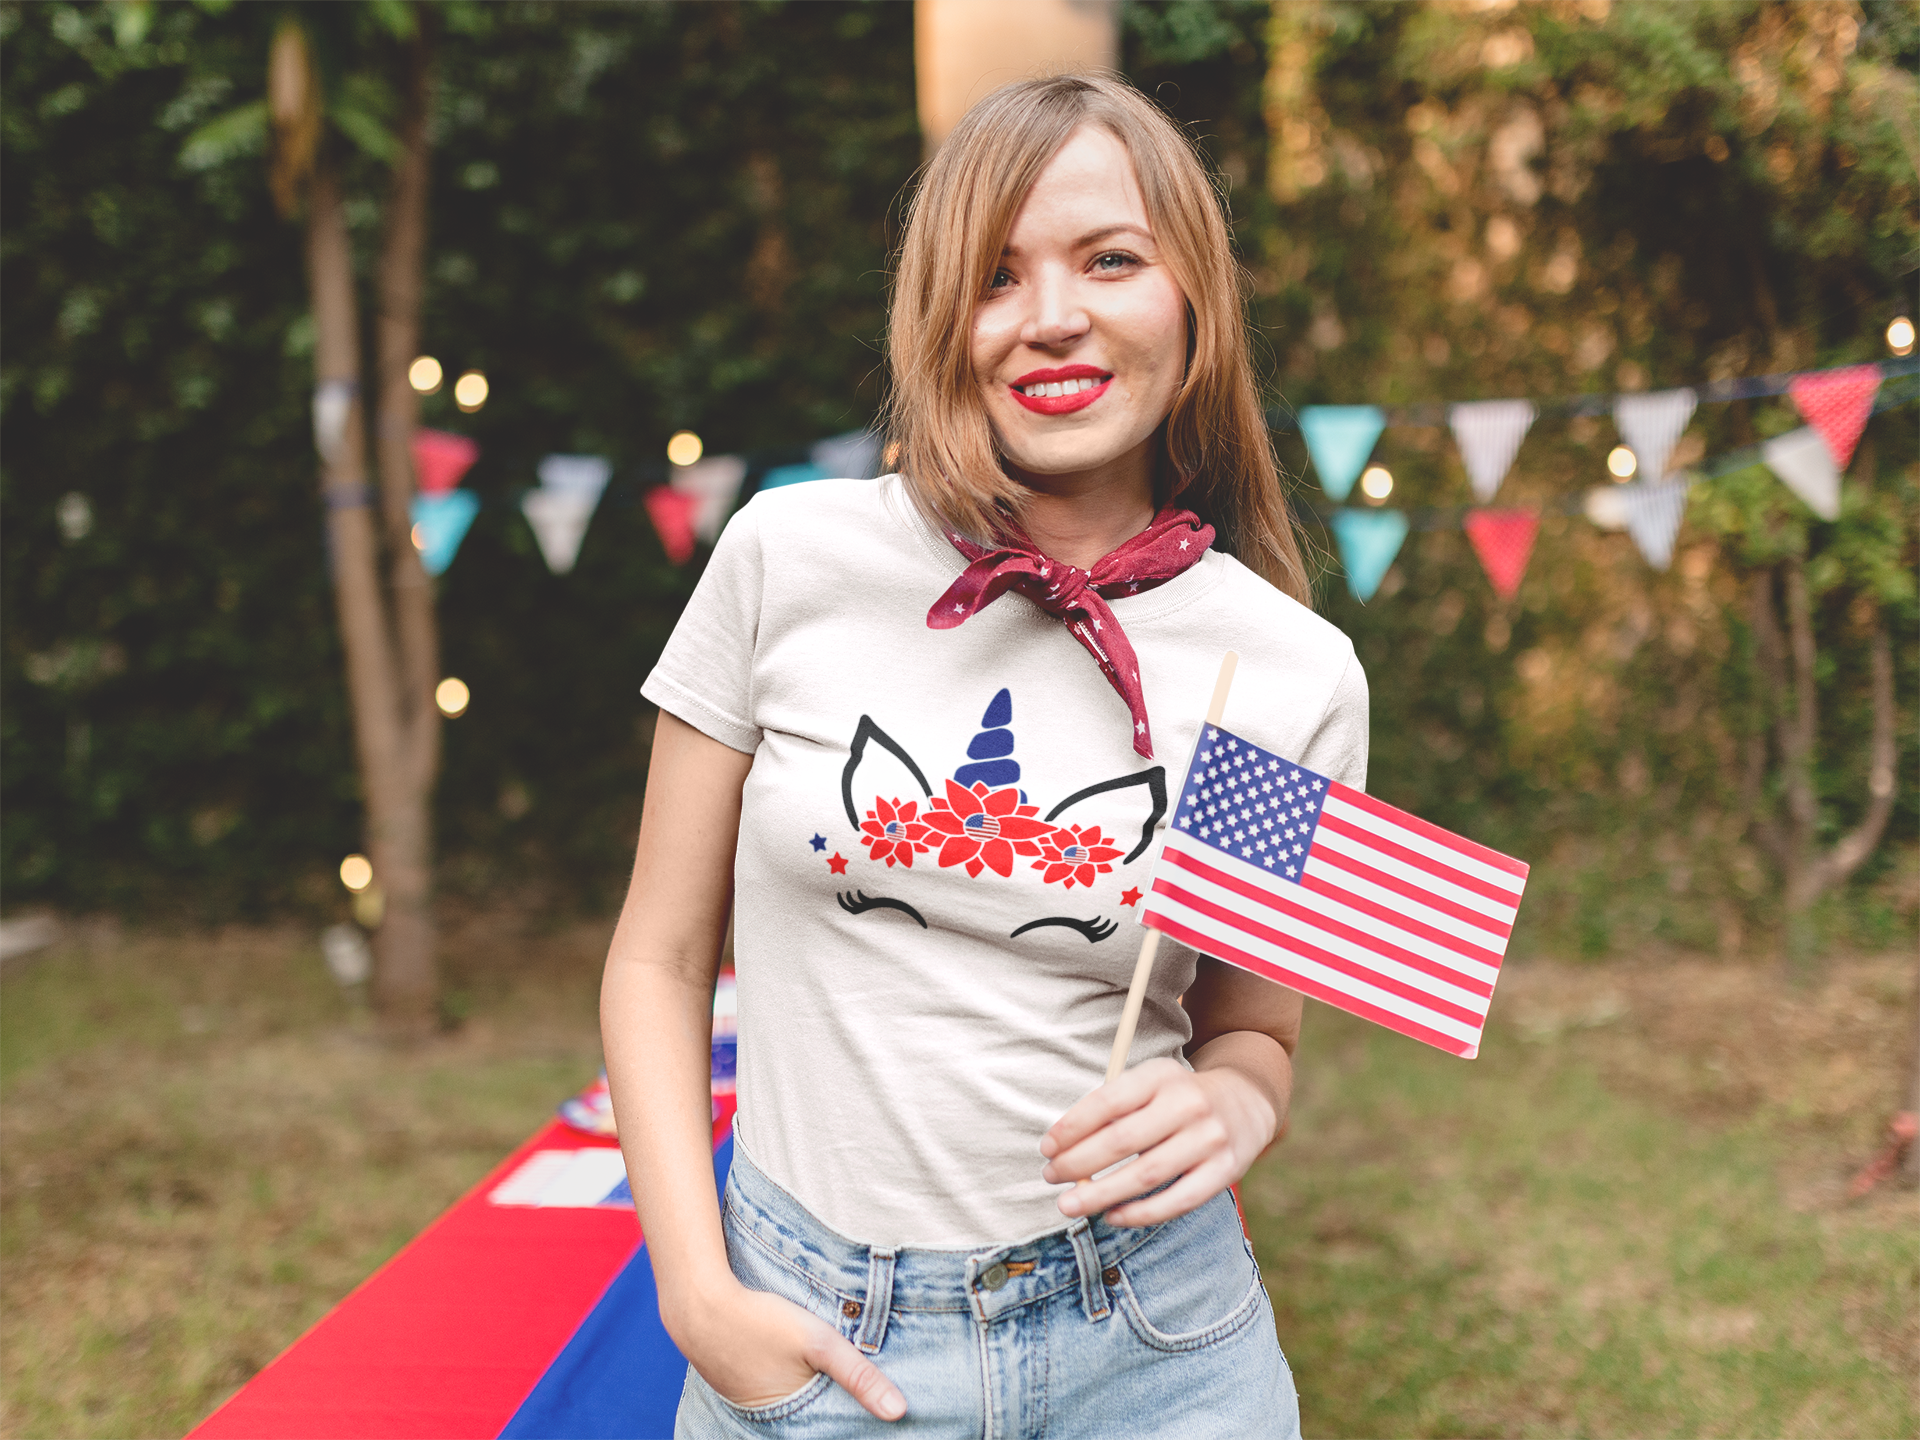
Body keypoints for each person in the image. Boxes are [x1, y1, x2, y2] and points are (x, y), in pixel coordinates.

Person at [601, 73, 1367, 1438]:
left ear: (1194, 300)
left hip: (1158, 1345)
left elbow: (1251, 1032)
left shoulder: (1284, 669)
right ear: (939, 317)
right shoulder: (791, 560)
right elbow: (657, 959)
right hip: (819, 1345)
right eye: (995, 276)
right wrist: (697, 1295)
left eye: (1111, 260)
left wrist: (1241, 1111)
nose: (1052, 316)